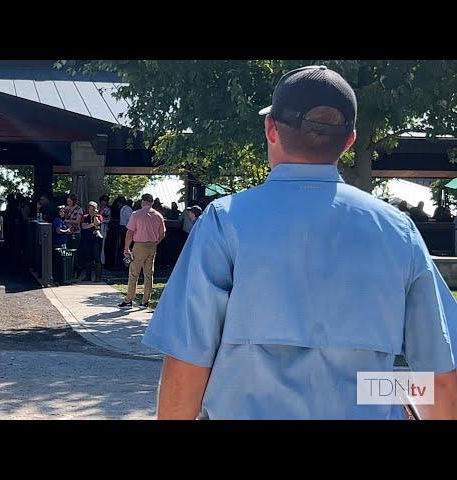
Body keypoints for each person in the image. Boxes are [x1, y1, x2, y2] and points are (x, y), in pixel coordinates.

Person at [143, 65, 457, 420]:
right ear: (350, 139)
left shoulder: (224, 221)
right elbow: (440, 378)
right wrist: (380, 389)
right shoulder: (399, 232)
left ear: (270, 128)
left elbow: (187, 365)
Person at [118, 193, 166, 309]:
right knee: (149, 274)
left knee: (134, 273)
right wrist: (155, 243)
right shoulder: (158, 215)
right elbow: (162, 234)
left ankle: (129, 299)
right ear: (152, 202)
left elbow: (130, 232)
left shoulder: (136, 214)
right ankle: (146, 301)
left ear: (142, 202)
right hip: (152, 246)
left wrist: (126, 248)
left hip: (139, 245)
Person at [79, 201, 105, 282]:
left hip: (96, 239)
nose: (91, 210)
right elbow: (83, 226)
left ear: (96, 209)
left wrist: (95, 216)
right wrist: (92, 225)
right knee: (87, 258)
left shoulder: (99, 216)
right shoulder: (85, 216)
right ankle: (88, 276)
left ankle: (98, 277)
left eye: (93, 209)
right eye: (90, 209)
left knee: (97, 258)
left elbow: (98, 223)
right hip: (87, 239)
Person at [65, 194, 84, 271]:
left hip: (75, 232)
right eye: (67, 201)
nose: (68, 202)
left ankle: (75, 268)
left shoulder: (79, 209)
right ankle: (67, 267)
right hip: (67, 231)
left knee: (74, 250)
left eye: (69, 201)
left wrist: (67, 221)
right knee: (67, 250)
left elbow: (77, 221)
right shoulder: (66, 208)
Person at [99, 194, 111, 265]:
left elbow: (108, 220)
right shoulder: (97, 208)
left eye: (105, 201)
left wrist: (100, 220)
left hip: (103, 228)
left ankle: (102, 261)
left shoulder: (108, 210)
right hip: (95, 228)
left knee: (102, 245)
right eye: (103, 200)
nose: (104, 202)